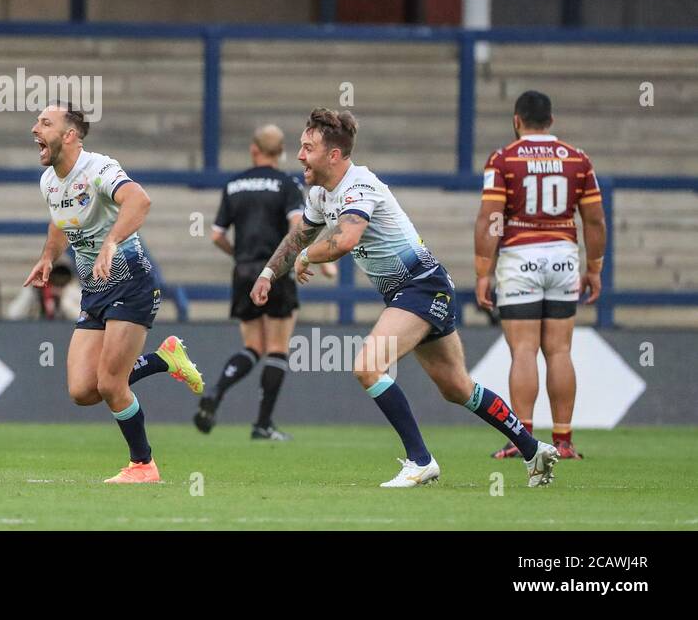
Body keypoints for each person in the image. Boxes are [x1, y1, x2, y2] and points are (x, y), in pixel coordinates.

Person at [251, 108, 561, 488]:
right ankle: (534, 449)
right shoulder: (319, 194)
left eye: (308, 148)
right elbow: (299, 235)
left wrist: (307, 256)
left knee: (368, 366)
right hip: (416, 289)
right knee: (456, 387)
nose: (300, 155)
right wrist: (268, 272)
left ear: (334, 155)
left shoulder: (359, 185)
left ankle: (420, 460)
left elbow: (344, 241)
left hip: (421, 286)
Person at [24, 102, 203, 485]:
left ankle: (143, 466)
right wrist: (47, 256)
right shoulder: (49, 182)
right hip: (95, 290)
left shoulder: (98, 168)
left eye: (45, 123)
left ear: (69, 135)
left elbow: (140, 200)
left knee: (109, 385)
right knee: (82, 390)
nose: (34, 129)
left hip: (131, 281)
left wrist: (111, 242)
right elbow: (60, 219)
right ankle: (163, 360)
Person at [475, 90, 606, 461]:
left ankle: (522, 438)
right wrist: (594, 267)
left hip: (520, 257)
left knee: (523, 350)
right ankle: (563, 441)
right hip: (564, 257)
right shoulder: (577, 159)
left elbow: (490, 219)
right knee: (561, 350)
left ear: (517, 120)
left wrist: (483, 271)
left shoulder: (503, 159)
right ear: (551, 121)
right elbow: (595, 220)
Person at [200, 124, 333, 440]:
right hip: (276, 271)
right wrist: (311, 258)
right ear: (282, 151)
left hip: (244, 270)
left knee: (251, 347)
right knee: (276, 348)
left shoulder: (234, 185)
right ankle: (262, 424)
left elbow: (217, 235)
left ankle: (217, 391)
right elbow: (296, 226)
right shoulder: (286, 184)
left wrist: (239, 256)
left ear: (253, 149)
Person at [6, 262, 82, 320]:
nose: (57, 281)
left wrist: (65, 300)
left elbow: (84, 318)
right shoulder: (35, 292)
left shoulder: (71, 290)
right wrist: (31, 292)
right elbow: (13, 315)